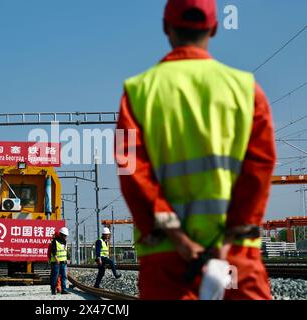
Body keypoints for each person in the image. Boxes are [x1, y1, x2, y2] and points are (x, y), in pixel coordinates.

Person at [115, 0, 276, 300]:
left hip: (167, 255)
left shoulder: (139, 91)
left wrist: (179, 238)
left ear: (166, 27)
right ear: (214, 28)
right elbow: (260, 167)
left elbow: (131, 169)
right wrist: (230, 235)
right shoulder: (245, 89)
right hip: (233, 252)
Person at [49, 227, 70, 295]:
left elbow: (66, 251)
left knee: (64, 276)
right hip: (56, 263)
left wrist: (68, 258)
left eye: (66, 236)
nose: (65, 237)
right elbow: (53, 251)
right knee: (55, 277)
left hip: (63, 262)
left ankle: (64, 290)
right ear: (60, 234)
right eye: (64, 235)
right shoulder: (55, 241)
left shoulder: (65, 242)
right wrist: (56, 258)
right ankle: (53, 290)